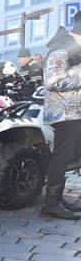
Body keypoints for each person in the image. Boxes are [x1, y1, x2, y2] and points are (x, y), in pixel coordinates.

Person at [41, 16, 81, 219]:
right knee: (61, 158)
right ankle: (51, 204)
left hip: (75, 113)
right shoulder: (60, 50)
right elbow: (53, 81)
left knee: (74, 157)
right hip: (65, 114)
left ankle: (61, 200)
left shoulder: (73, 51)